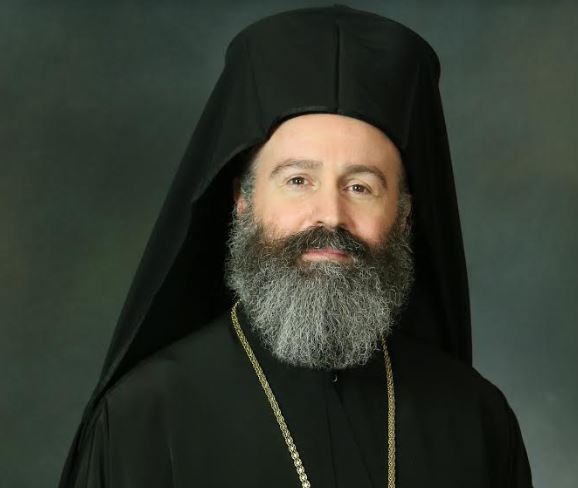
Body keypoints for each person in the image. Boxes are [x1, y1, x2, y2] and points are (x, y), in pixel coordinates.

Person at [59, 5, 533, 487]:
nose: (330, 214)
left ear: (404, 214)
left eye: (360, 187)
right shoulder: (142, 421)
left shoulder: (477, 422)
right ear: (243, 200)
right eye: (298, 180)